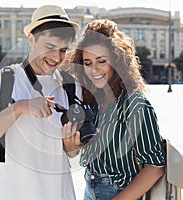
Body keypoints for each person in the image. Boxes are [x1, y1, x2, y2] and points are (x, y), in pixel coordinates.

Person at [0, 5, 81, 200]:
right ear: (31, 39)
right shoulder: (2, 81)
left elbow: (70, 154)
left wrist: (73, 145)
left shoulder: (70, 86)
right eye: (49, 47)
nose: (56, 57)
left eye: (63, 50)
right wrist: (19, 108)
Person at [62, 19, 165, 200]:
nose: (94, 69)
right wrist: (71, 146)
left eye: (101, 61)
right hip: (90, 189)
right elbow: (76, 153)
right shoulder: (93, 101)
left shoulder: (135, 104)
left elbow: (155, 166)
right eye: (87, 62)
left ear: (117, 61)